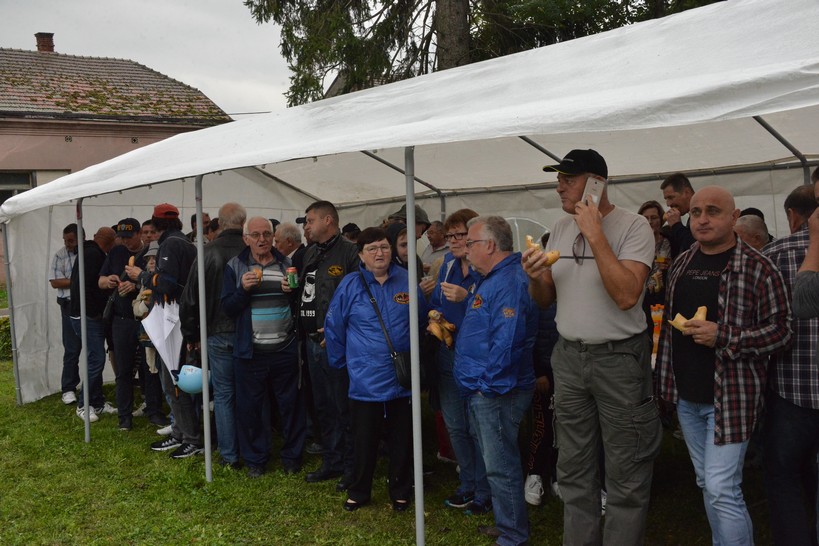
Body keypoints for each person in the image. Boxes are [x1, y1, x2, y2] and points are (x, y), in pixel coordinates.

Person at [523, 149, 661, 545]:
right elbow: (545, 299)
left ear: (597, 184)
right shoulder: (559, 227)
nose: (559, 186)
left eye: (568, 179)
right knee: (573, 468)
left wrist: (596, 233)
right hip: (569, 357)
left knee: (626, 469)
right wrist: (535, 277)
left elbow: (626, 295)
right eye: (558, 179)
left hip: (619, 359)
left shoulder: (634, 226)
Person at [656, 186, 792, 545]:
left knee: (721, 487)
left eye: (713, 211)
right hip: (687, 397)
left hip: (731, 398)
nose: (702, 219)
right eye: (696, 212)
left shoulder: (759, 267)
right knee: (709, 483)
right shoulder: (682, 262)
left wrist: (725, 335)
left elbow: (782, 332)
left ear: (734, 217)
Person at [325, 227, 422, 512]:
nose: (380, 253)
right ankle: (359, 491)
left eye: (384, 247)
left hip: (401, 376)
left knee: (402, 438)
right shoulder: (350, 285)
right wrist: (342, 364)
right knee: (363, 439)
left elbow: (421, 320)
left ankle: (400, 490)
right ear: (361, 255)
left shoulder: (407, 280)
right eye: (372, 249)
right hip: (364, 378)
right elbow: (334, 327)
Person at [455, 215, 538, 545]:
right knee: (496, 463)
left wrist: (488, 387)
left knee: (501, 464)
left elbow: (509, 340)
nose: (466, 249)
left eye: (470, 243)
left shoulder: (509, 282)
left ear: (489, 245)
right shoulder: (492, 278)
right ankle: (507, 525)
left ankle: (513, 534)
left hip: (497, 390)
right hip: (485, 387)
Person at [222, 216, 306, 478]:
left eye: (267, 234)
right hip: (251, 352)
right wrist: (243, 291)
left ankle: (292, 457)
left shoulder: (286, 264)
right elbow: (227, 308)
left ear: (273, 237)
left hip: (284, 348)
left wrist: (293, 292)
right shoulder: (235, 266)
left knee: (290, 406)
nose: (262, 240)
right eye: (256, 235)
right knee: (251, 409)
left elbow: (299, 303)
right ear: (246, 238)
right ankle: (255, 460)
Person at [762, 185, 819, 546]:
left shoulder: (774, 254)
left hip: (790, 391)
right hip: (791, 393)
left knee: (782, 476)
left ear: (794, 216)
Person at [427, 208, 491, 514]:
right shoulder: (447, 266)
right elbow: (437, 304)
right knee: (455, 425)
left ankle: (485, 489)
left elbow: (494, 313)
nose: (453, 240)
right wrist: (435, 316)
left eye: (460, 234)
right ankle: (467, 482)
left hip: (476, 357)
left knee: (478, 426)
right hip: (447, 352)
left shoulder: (487, 270)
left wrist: (466, 298)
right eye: (449, 235)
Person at [126, 203, 201, 459]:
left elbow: (167, 283)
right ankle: (180, 432)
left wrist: (142, 277)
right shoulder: (186, 243)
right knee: (174, 380)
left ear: (156, 223)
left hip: (174, 320)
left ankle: (191, 438)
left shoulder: (170, 244)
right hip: (183, 317)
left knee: (173, 381)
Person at [297, 200, 361, 490]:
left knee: (342, 405)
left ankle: (351, 466)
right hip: (311, 341)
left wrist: (339, 331)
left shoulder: (349, 252)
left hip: (336, 343)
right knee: (322, 405)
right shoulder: (311, 252)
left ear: (328, 220)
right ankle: (332, 460)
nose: (307, 227)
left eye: (310, 221)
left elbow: (359, 298)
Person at [179, 203, 247, 469]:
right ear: (243, 222)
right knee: (250, 392)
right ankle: (251, 449)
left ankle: (229, 454)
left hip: (216, 331)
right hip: (248, 331)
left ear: (219, 222)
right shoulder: (252, 251)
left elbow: (190, 298)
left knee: (224, 395)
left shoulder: (207, 252)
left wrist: (191, 334)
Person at [98, 218, 164, 430]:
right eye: (122, 237)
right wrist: (109, 281)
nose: (125, 241)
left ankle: (154, 411)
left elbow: (160, 284)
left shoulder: (151, 254)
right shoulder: (116, 252)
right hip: (122, 320)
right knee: (123, 370)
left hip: (146, 319)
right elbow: (100, 281)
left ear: (139, 234)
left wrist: (136, 286)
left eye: (129, 237)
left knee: (150, 367)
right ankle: (124, 416)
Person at [69, 226, 118, 422]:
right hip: (87, 315)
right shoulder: (94, 255)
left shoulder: (86, 252)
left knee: (95, 359)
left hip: (82, 314)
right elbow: (92, 288)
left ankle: (97, 402)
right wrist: (99, 311)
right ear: (111, 242)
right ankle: (84, 404)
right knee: (96, 359)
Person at [50, 223, 81, 405]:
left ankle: (92, 387)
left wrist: (72, 281)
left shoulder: (89, 253)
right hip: (69, 305)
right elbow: (55, 282)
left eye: (71, 240)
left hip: (89, 306)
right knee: (71, 348)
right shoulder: (60, 255)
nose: (67, 244)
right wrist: (78, 281)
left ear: (81, 238)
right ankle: (68, 388)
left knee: (93, 349)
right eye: (65, 240)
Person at [639, 200, 672, 331]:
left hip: (659, 298)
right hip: (639, 296)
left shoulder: (667, 242)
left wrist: (669, 267)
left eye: (654, 217)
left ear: (661, 220)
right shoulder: (635, 243)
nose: (650, 221)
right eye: (645, 218)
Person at [661, 172, 697, 257]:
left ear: (687, 192)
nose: (668, 204)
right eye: (666, 199)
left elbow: (695, 246)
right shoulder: (691, 215)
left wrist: (676, 225)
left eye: (671, 197)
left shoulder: (702, 214)